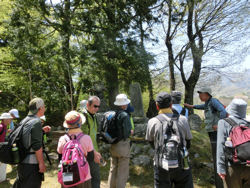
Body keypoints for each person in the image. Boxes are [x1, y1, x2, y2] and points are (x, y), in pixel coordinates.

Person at [146, 92, 193, 188]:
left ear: (157, 106)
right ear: (171, 105)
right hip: (182, 163)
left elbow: (151, 141)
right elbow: (188, 142)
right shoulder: (183, 119)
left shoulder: (152, 121)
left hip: (161, 164)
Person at [184, 87, 226, 188]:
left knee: (217, 152)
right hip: (211, 131)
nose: (199, 96)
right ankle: (217, 171)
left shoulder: (213, 101)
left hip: (215, 131)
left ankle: (219, 176)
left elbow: (223, 111)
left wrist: (219, 123)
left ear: (207, 94)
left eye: (200, 94)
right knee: (214, 151)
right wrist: (191, 106)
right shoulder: (208, 103)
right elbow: (201, 106)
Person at [13, 97, 50, 188]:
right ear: (40, 108)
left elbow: (27, 136)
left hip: (22, 161)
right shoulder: (36, 122)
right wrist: (41, 163)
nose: (45, 109)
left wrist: (40, 131)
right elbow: (37, 146)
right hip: (32, 164)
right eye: (44, 106)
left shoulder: (25, 120)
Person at [217, 98, 250, 188]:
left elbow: (221, 146)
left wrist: (221, 168)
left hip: (232, 167)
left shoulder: (223, 122)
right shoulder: (248, 124)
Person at [57, 111, 94, 188]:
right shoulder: (86, 138)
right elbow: (91, 158)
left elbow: (60, 158)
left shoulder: (62, 139)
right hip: (83, 176)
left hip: (67, 176)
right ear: (80, 124)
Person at [108, 94, 132, 188]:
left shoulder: (111, 114)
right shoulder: (125, 115)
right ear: (123, 105)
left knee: (113, 169)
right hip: (123, 144)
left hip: (113, 144)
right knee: (122, 172)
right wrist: (130, 132)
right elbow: (127, 133)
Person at [81, 96, 102, 188]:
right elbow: (81, 138)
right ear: (87, 105)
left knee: (95, 178)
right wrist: (93, 152)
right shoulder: (82, 117)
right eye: (95, 106)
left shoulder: (94, 116)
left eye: (98, 107)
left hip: (94, 151)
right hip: (85, 153)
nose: (97, 109)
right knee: (88, 179)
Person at [0, 113, 13, 183]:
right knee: (2, 164)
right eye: (9, 118)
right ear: (5, 119)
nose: (11, 120)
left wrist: (7, 132)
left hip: (2, 147)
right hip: (1, 148)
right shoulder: (1, 127)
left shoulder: (4, 127)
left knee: (3, 164)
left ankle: (2, 179)